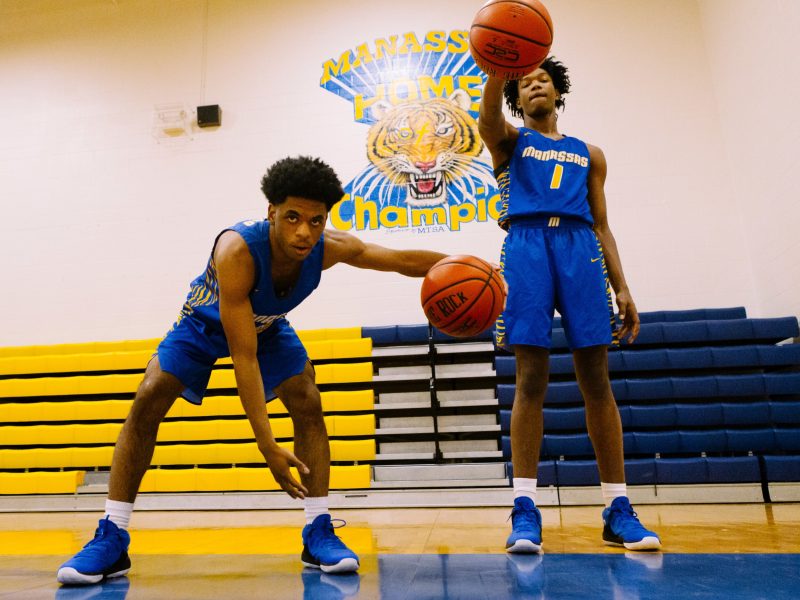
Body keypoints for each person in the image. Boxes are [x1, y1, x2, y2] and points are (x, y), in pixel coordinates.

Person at [57, 156, 449, 585]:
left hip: (265, 325)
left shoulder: (328, 247)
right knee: (151, 393)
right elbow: (243, 357)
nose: (304, 232)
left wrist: (477, 267)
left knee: (307, 398)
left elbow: (398, 259)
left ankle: (318, 527)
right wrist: (268, 446)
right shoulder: (237, 250)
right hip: (203, 323)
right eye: (293, 218)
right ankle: (112, 534)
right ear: (272, 213)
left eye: (316, 221)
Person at [478, 58, 661, 552]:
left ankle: (618, 507)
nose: (534, 84)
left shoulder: (591, 154)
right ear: (518, 97)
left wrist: (622, 286)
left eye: (542, 79)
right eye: (524, 82)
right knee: (530, 378)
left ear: (558, 91)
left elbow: (602, 225)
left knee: (596, 380)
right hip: (527, 246)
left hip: (581, 250)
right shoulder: (510, 141)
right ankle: (524, 508)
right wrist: (500, 67)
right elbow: (486, 120)